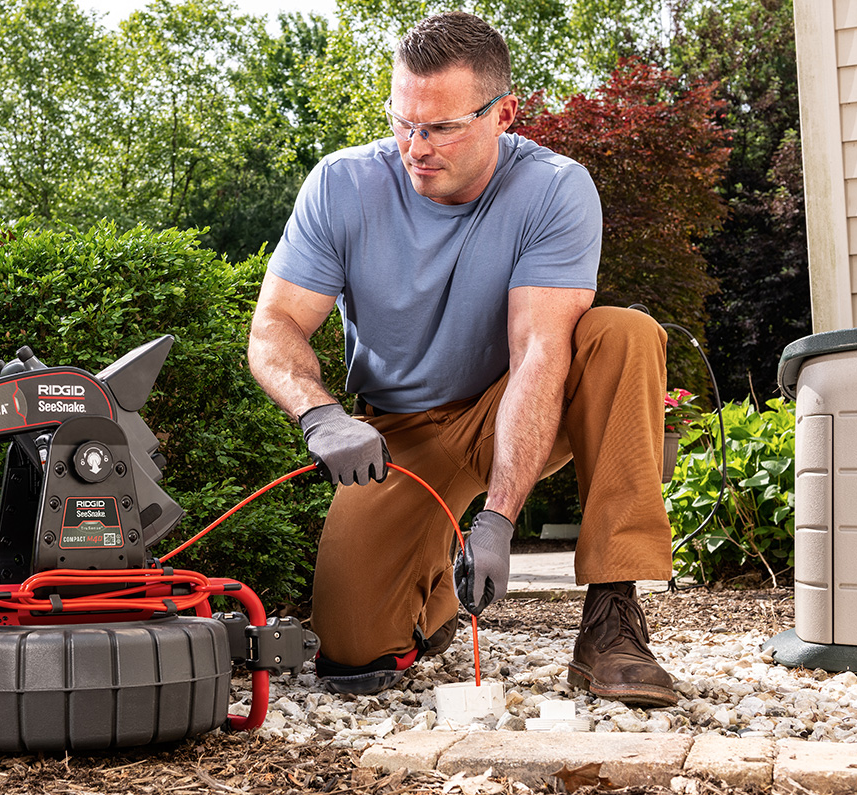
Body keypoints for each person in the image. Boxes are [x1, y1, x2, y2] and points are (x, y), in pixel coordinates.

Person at [246, 11, 678, 708]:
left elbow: (539, 352)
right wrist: (320, 413)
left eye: (441, 127)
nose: (416, 146)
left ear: (504, 113)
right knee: (352, 650)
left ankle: (612, 620)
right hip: (402, 433)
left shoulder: (554, 189)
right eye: (402, 121)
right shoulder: (342, 186)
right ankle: (435, 598)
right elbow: (274, 326)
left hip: (515, 398)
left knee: (621, 334)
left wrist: (500, 518)